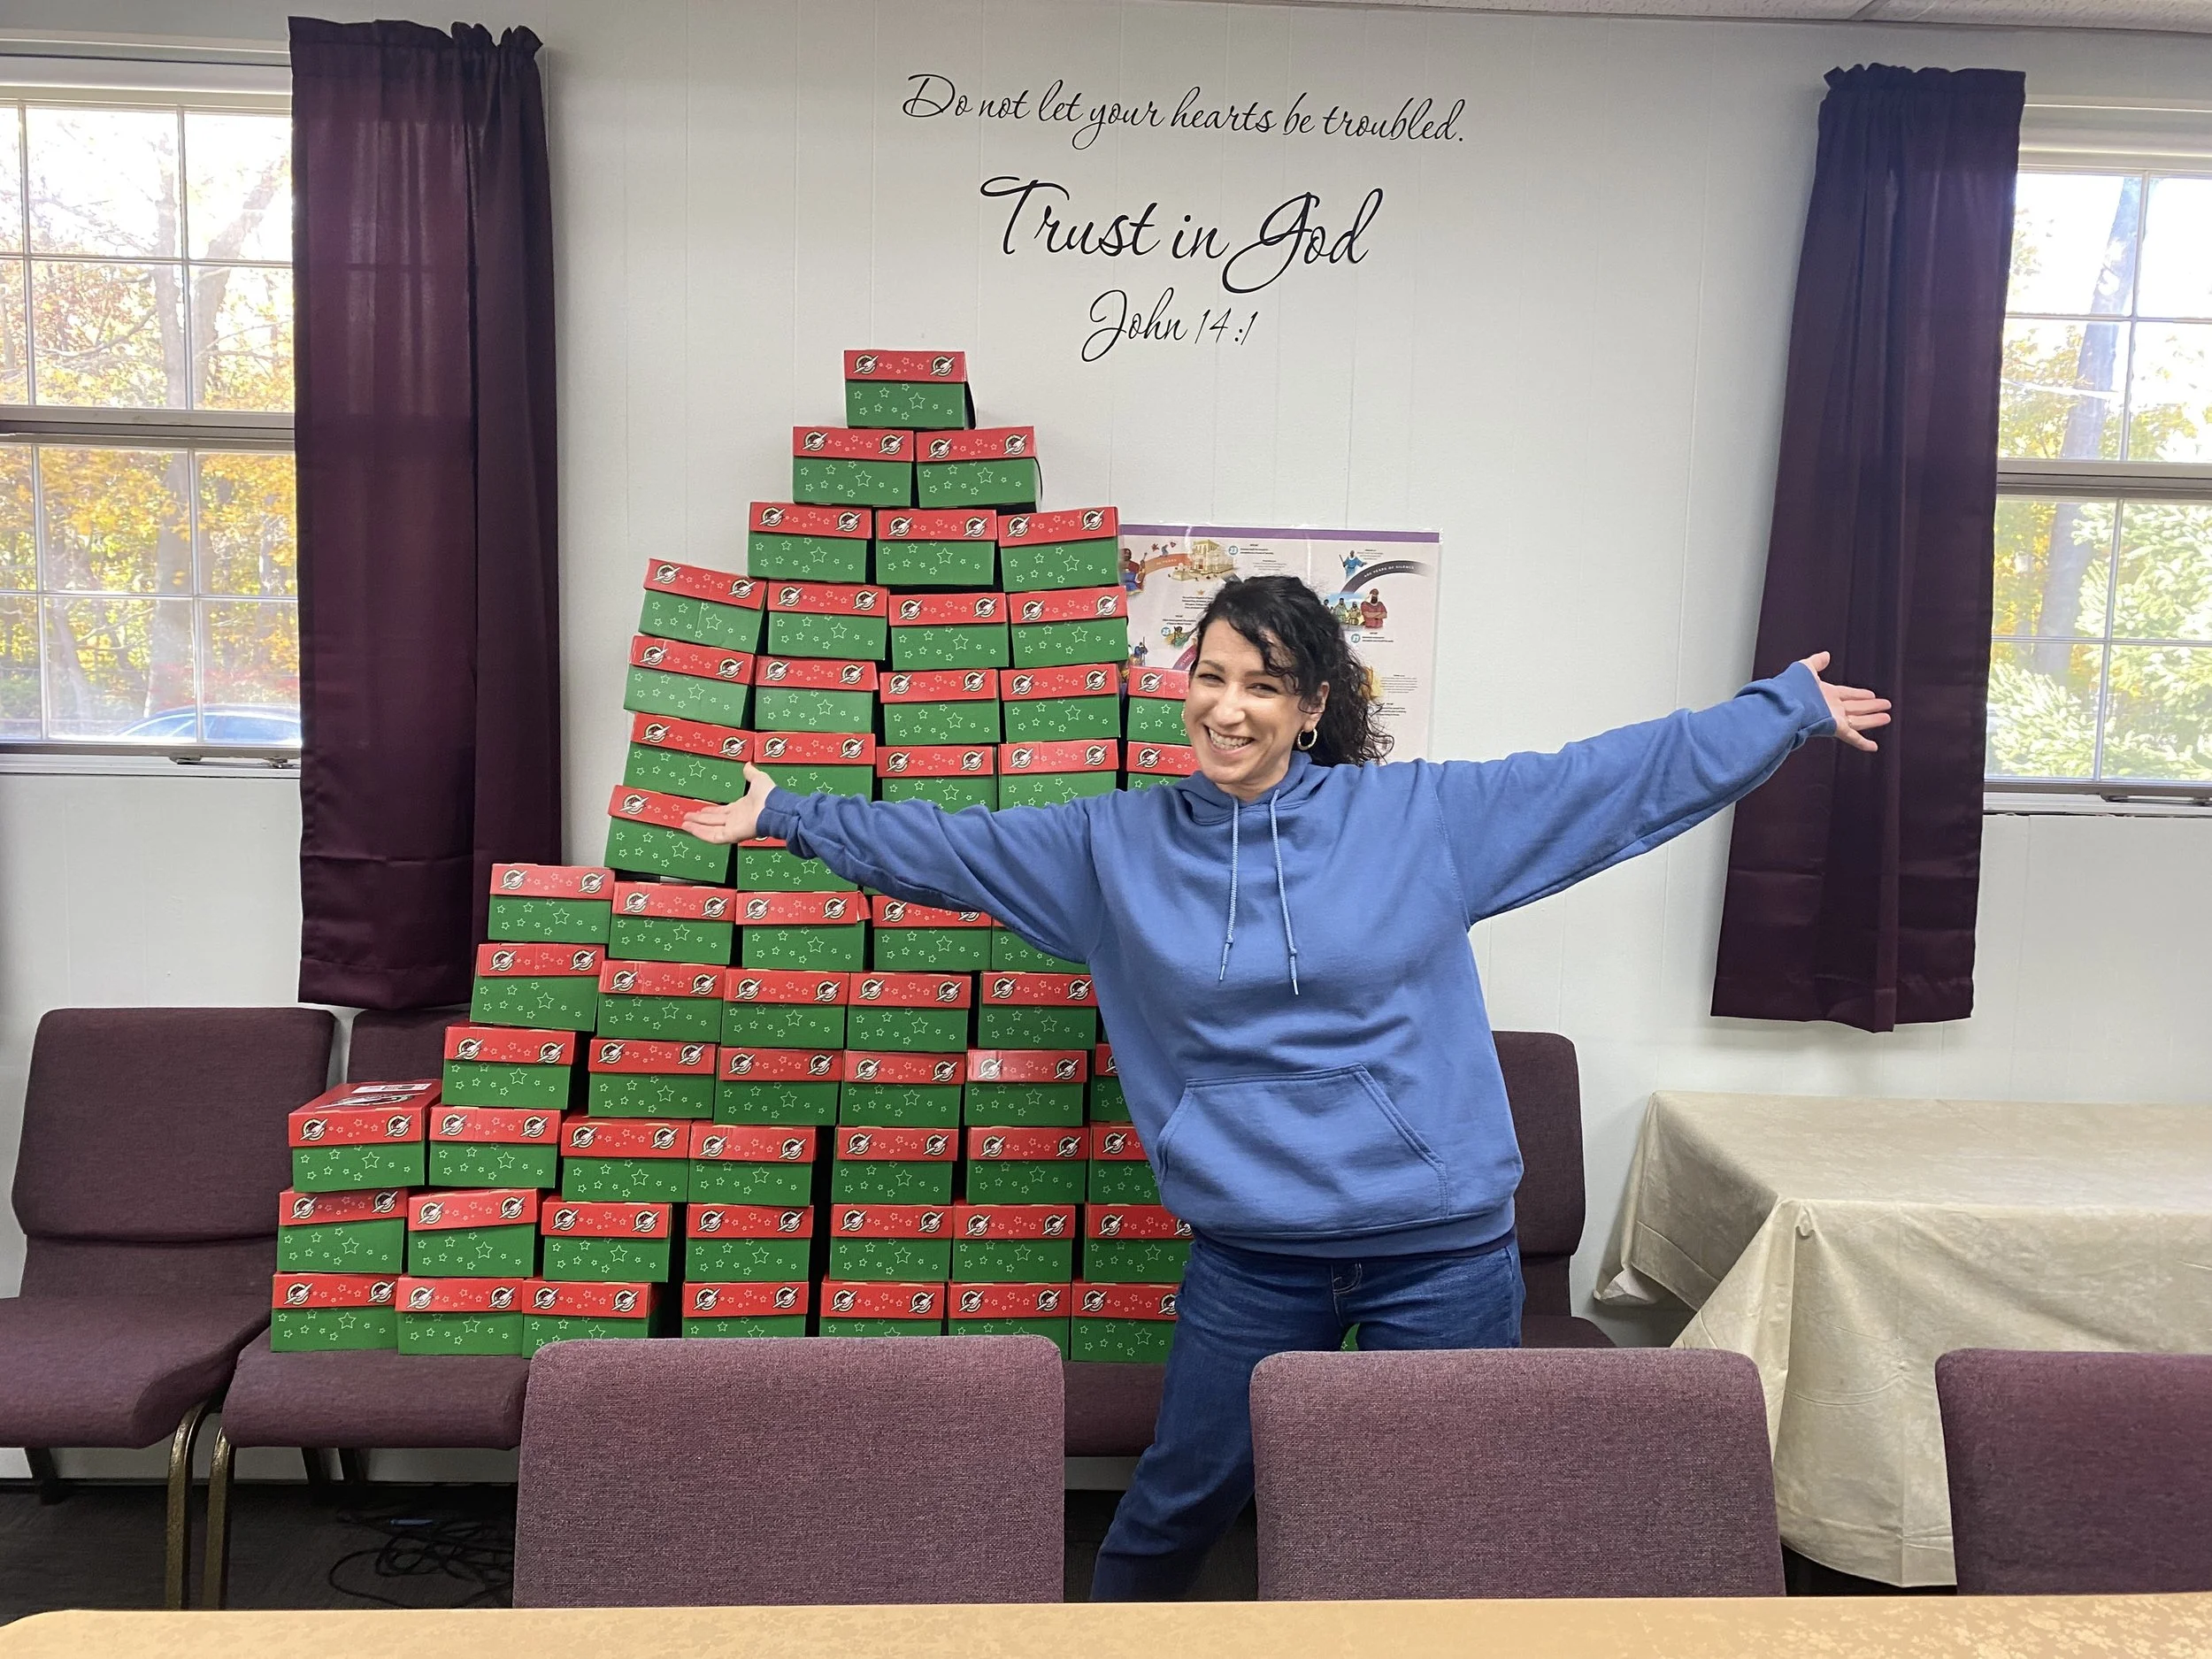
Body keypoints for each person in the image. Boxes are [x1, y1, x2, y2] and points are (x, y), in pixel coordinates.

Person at [680, 573, 1891, 1601]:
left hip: (1441, 1247)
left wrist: (1774, 715)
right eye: (1211, 675)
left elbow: (1600, 783)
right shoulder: (1112, 849)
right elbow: (950, 850)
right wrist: (791, 811)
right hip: (1256, 1252)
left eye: (1261, 683)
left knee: (1438, 1512)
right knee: (1178, 1495)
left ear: (1312, 707)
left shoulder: (1418, 819)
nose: (1227, 705)